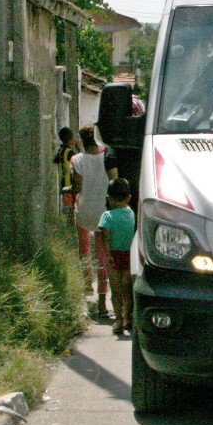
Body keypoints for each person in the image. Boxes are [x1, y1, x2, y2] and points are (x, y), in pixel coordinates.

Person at [65, 125, 109, 318]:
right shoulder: (107, 158)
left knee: (84, 249)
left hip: (84, 211)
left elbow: (76, 187)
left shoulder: (77, 159)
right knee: (102, 255)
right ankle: (101, 303)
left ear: (81, 141)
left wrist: (66, 189)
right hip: (103, 211)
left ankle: (86, 289)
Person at [98, 178, 135, 335]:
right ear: (129, 197)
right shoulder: (132, 214)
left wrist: (107, 255)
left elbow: (105, 237)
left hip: (113, 255)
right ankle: (128, 318)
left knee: (116, 289)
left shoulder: (107, 216)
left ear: (109, 198)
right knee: (127, 289)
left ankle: (118, 321)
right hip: (128, 255)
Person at [52, 127, 78, 221]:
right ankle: (71, 224)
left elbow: (55, 161)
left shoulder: (60, 151)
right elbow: (79, 162)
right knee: (73, 207)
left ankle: (69, 223)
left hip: (63, 182)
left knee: (69, 206)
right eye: (73, 137)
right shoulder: (70, 152)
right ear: (70, 139)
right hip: (70, 183)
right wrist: (79, 149)